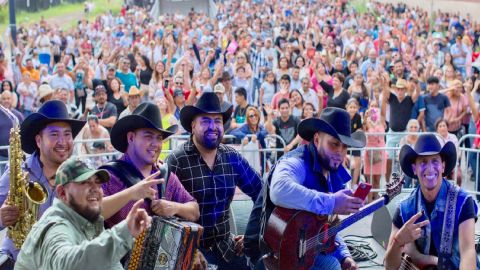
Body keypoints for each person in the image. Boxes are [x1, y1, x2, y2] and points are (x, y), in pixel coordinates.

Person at [244, 107, 365, 270]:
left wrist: (344, 256)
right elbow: (279, 190)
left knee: (337, 263)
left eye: (344, 147)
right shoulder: (295, 162)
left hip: (302, 254)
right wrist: (331, 202)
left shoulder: (333, 173)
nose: (340, 152)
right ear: (316, 140)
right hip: (271, 257)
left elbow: (327, 227)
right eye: (334, 144)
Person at [166, 92, 262, 269]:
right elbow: (164, 215)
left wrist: (252, 234)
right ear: (193, 126)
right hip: (192, 255)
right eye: (205, 121)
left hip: (228, 250)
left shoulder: (232, 157)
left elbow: (262, 194)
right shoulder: (177, 160)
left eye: (217, 121)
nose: (213, 126)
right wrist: (187, 250)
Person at [14, 158, 152, 270]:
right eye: (85, 183)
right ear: (62, 193)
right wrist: (124, 232)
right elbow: (66, 265)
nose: (95, 189)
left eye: (97, 183)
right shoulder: (56, 226)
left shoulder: (88, 219)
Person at [0, 100, 85, 267]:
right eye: (54, 134)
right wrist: (2, 217)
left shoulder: (82, 174)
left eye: (67, 134)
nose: (62, 142)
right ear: (39, 141)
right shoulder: (16, 172)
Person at [384, 134, 479, 269]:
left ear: (443, 166)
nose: (429, 168)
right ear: (414, 169)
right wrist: (398, 242)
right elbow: (389, 266)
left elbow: (468, 252)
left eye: (435, 161)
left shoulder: (463, 201)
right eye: (423, 162)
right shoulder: (404, 208)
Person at [101, 102, 199, 228]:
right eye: (148, 136)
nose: (155, 144)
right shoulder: (108, 175)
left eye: (159, 138)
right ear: (131, 138)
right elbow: (93, 213)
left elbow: (195, 211)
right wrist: (131, 193)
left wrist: (175, 207)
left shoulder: (164, 174)